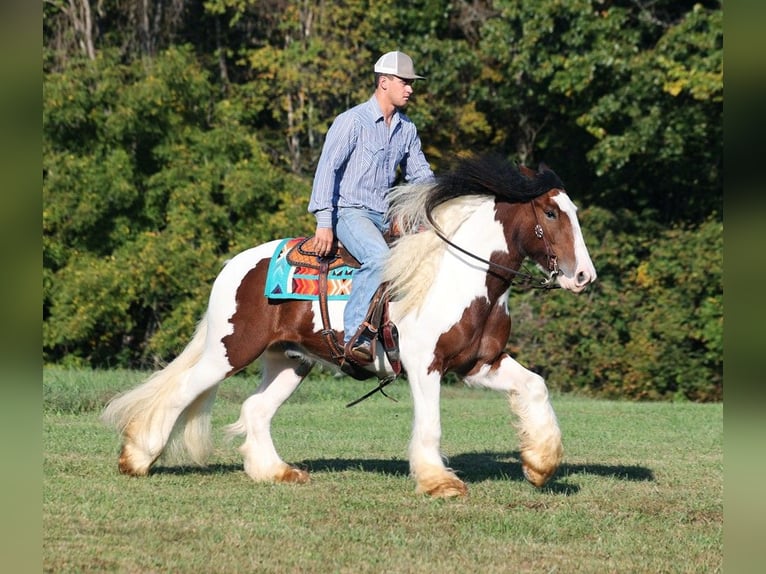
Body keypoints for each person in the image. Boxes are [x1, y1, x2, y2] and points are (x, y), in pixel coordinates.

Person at [308, 50, 435, 364]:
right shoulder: (351, 122)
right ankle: (355, 335)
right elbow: (327, 170)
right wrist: (324, 222)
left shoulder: (407, 129)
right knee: (379, 258)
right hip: (350, 212)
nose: (410, 88)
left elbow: (421, 177)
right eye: (404, 82)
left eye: (411, 83)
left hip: (386, 217)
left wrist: (438, 207)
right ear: (384, 82)